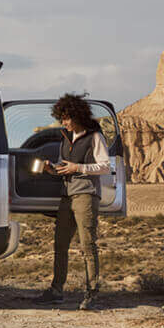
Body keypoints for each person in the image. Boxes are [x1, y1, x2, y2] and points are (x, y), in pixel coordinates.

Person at [34, 93, 111, 311]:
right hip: (67, 195)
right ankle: (56, 291)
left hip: (86, 195)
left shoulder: (95, 137)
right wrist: (53, 169)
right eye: (62, 119)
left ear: (77, 116)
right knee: (60, 245)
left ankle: (91, 292)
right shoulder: (65, 139)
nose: (64, 123)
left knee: (88, 245)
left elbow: (105, 166)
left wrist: (79, 168)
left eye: (67, 118)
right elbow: (65, 167)